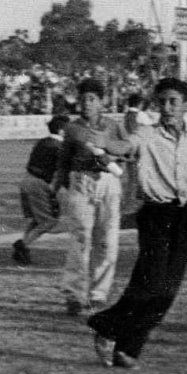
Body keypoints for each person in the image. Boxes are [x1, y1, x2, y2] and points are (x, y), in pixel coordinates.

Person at [87, 78, 187, 369]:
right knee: (149, 285)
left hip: (184, 217)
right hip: (155, 215)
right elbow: (124, 145)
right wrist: (105, 143)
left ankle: (125, 348)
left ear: (186, 104)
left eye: (173, 101)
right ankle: (106, 326)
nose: (168, 108)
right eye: (162, 102)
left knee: (167, 293)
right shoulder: (147, 135)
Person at [52, 78, 132, 316]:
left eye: (92, 99)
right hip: (81, 182)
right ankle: (74, 296)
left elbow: (127, 148)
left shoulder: (114, 126)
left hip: (108, 181)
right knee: (81, 240)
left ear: (102, 102)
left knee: (107, 240)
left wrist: (105, 143)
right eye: (83, 98)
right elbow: (64, 160)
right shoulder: (73, 128)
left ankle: (98, 294)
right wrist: (57, 187)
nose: (87, 103)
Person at [12, 114, 71, 265]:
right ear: (61, 130)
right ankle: (23, 245)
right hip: (39, 183)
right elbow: (61, 172)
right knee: (49, 221)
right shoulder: (59, 147)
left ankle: (23, 246)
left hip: (27, 180)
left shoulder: (43, 142)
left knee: (38, 220)